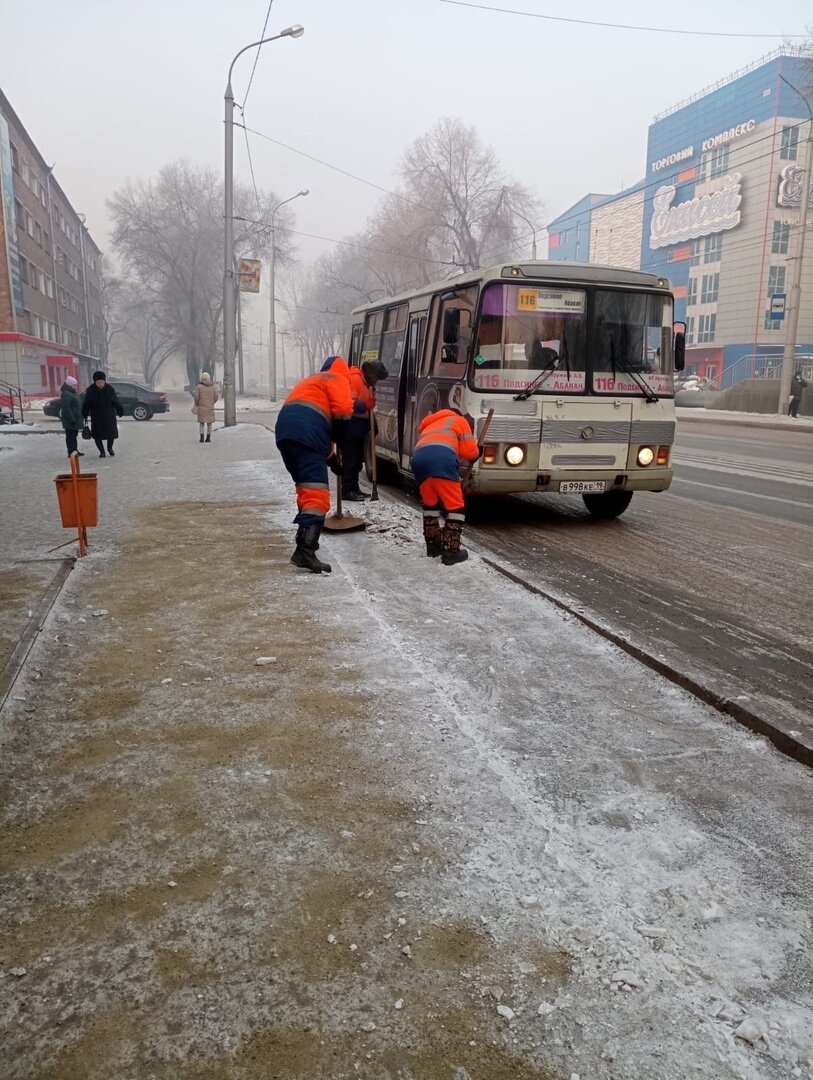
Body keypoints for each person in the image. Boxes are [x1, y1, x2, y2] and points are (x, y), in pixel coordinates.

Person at [275, 356, 354, 573]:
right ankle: (305, 551)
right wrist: (343, 438)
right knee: (317, 495)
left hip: (287, 434)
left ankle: (305, 542)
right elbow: (344, 410)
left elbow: (315, 423)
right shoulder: (337, 378)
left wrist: (331, 460)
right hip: (307, 436)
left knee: (306, 487)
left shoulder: (313, 382)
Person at [411, 407, 480, 566]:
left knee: (430, 505)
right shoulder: (459, 420)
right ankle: (450, 551)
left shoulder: (431, 424)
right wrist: (478, 453)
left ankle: (433, 546)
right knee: (456, 507)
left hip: (419, 461)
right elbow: (469, 452)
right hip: (442, 461)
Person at [322, 358, 389, 500]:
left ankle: (354, 488)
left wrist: (373, 425)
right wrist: (365, 405)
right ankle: (347, 490)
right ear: (369, 373)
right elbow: (347, 403)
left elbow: (368, 410)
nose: (376, 382)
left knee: (358, 461)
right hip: (350, 427)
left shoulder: (368, 384)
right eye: (376, 378)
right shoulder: (354, 380)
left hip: (360, 428)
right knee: (350, 461)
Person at [82, 371, 123, 458]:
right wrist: (84, 413)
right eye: (98, 382)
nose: (100, 384)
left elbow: (115, 401)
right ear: (95, 382)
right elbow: (87, 403)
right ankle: (102, 451)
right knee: (97, 435)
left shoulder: (110, 389)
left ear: (104, 381)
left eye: (102, 382)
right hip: (96, 416)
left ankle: (110, 448)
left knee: (111, 434)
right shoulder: (90, 390)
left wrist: (120, 410)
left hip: (109, 415)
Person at [59, 375, 84, 458]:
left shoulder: (72, 392)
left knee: (74, 435)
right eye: (74, 385)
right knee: (70, 436)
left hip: (75, 418)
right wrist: (72, 419)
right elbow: (66, 407)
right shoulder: (66, 393)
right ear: (70, 385)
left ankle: (75, 450)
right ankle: (71, 451)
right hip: (70, 419)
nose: (75, 386)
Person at [193, 372, 218, 442]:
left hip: (201, 407)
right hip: (210, 407)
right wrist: (212, 402)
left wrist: (197, 403)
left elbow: (196, 397)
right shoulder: (212, 387)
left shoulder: (199, 387)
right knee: (209, 423)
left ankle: (201, 438)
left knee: (202, 423)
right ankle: (208, 438)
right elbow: (216, 397)